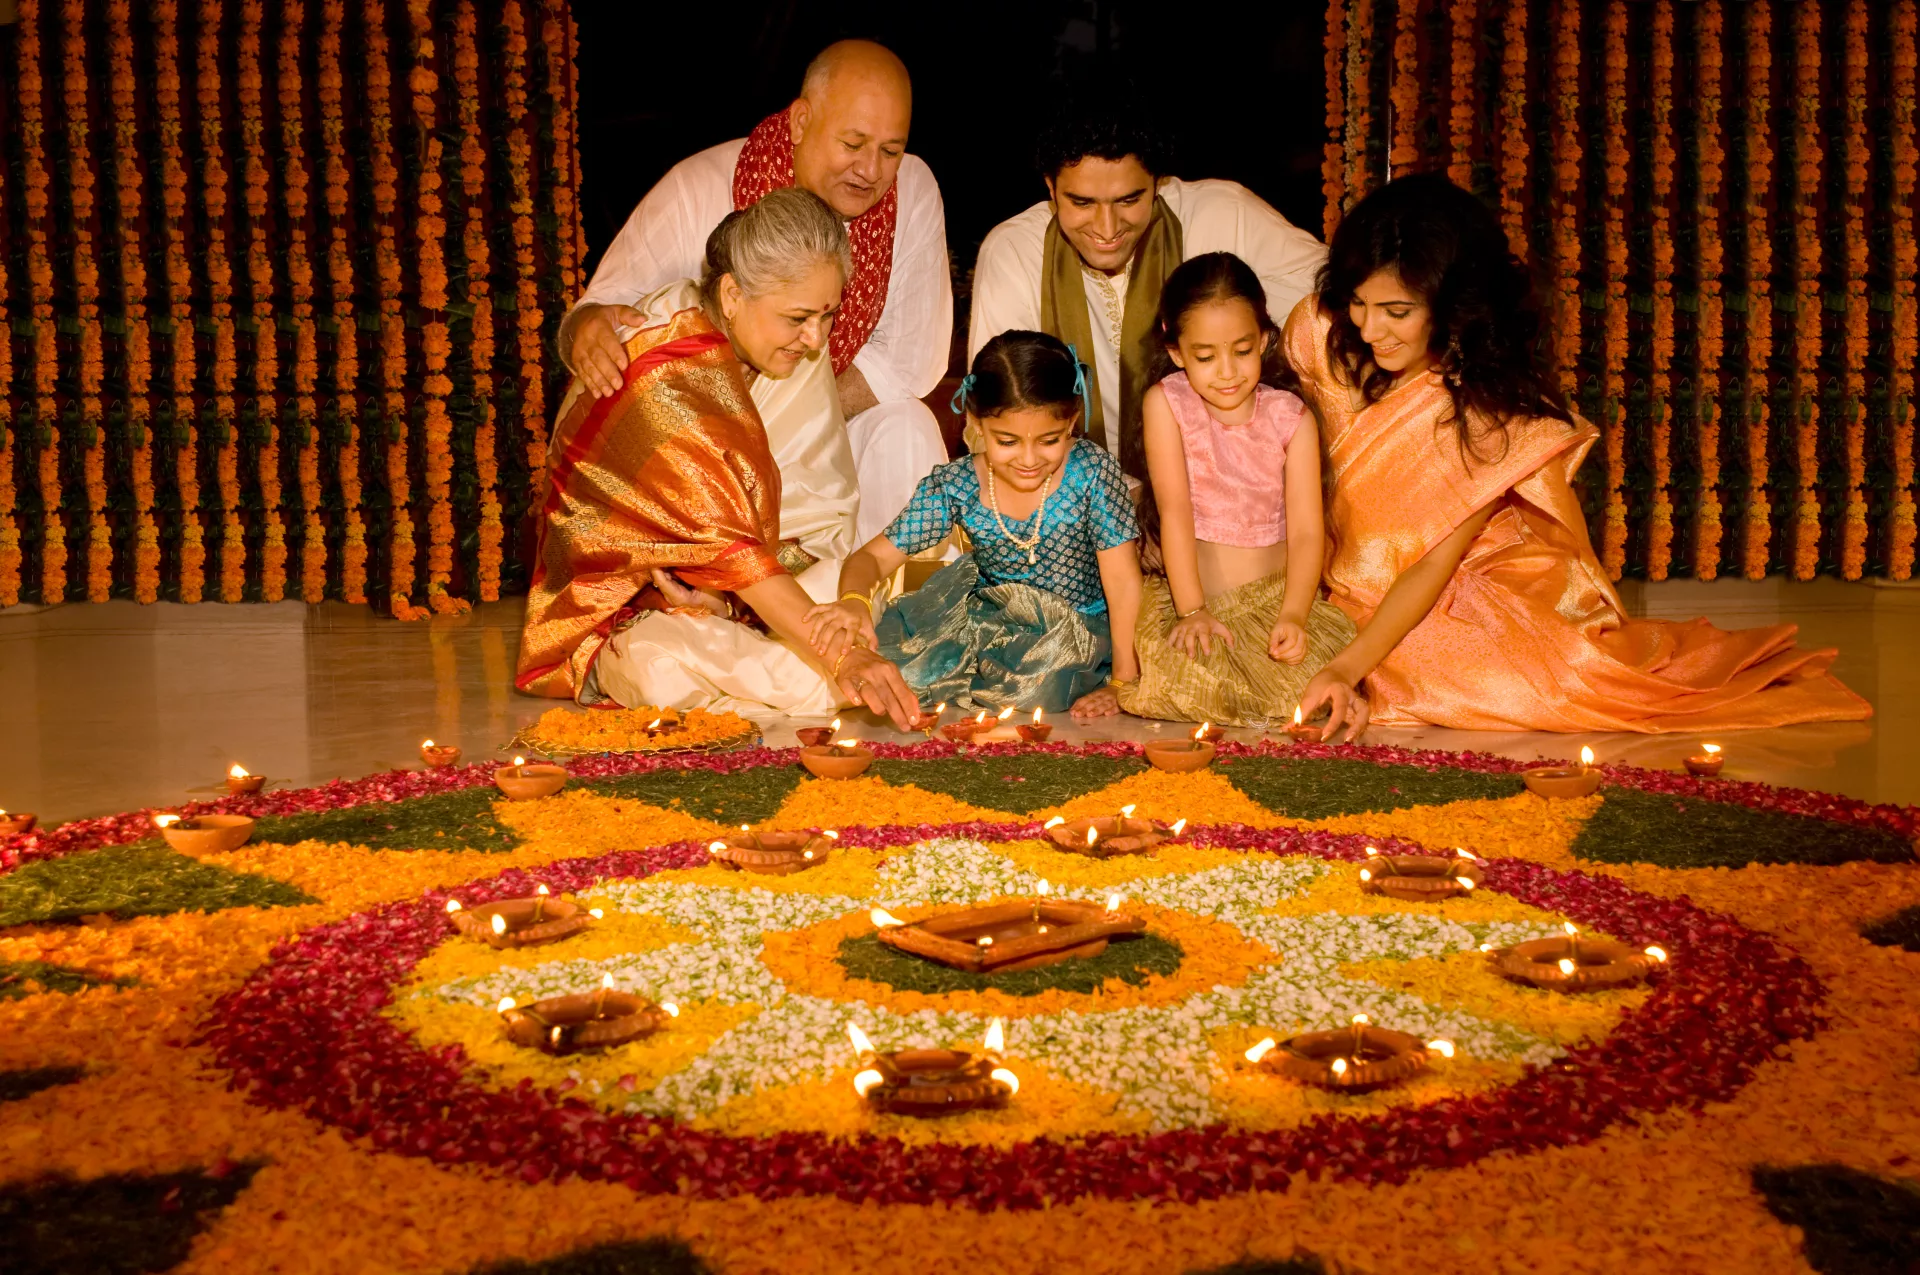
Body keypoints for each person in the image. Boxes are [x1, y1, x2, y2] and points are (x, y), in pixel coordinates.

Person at [1286, 173, 1872, 740]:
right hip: (1344, 583)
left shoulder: (1488, 406)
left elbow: (1429, 566)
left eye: (1398, 312)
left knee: (1499, 681)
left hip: (1453, 587)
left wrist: (1348, 665)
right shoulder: (1319, 332)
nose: (1370, 329)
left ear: (1453, 302)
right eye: (1360, 302)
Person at [516, 188, 921, 730]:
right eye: (799, 317)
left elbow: (818, 518)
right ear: (731, 295)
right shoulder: (666, 375)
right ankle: (839, 676)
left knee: (865, 584)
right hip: (633, 607)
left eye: (827, 316)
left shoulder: (784, 348)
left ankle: (803, 673)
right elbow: (734, 552)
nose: (816, 338)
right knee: (658, 668)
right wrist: (844, 654)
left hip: (739, 594)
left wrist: (731, 606)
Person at [559, 40, 950, 545]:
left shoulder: (912, 190)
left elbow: (907, 362)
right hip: (702, 445)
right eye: (853, 145)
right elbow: (603, 313)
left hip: (833, 427)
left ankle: (907, 608)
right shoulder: (696, 188)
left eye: (890, 150)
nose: (872, 171)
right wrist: (588, 329)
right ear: (801, 121)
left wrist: (800, 422)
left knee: (908, 428)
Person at [968, 92, 1327, 485]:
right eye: (1082, 202)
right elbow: (996, 409)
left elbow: (1334, 299)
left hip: (1222, 492)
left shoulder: (1223, 215)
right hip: (1065, 496)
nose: (1107, 229)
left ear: (1159, 182)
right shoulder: (1014, 252)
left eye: (1129, 199)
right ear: (1051, 188)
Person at [807, 331, 1144, 717]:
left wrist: (1122, 682)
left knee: (1044, 680)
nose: (1029, 459)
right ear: (975, 423)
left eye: (1049, 440)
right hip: (992, 624)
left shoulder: (1091, 472)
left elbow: (1122, 582)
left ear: (1071, 422)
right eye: (1007, 441)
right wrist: (854, 600)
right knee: (900, 671)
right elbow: (871, 558)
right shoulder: (956, 485)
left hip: (1083, 625)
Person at [1117, 253, 1356, 727]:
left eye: (1242, 351)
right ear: (1176, 350)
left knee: (1303, 696)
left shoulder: (1292, 417)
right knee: (1185, 688)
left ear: (1266, 339)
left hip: (1275, 601)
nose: (1226, 372)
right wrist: (1193, 610)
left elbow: (1308, 532)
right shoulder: (1167, 404)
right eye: (1205, 357)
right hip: (1196, 603)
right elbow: (1175, 511)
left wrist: (1294, 615)